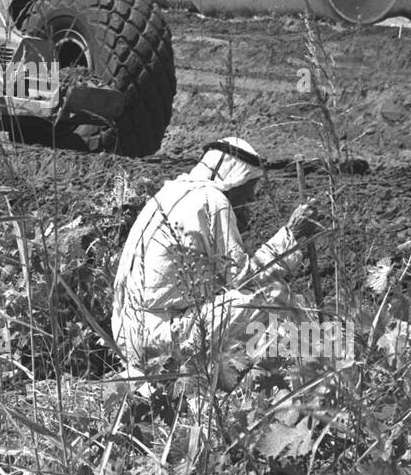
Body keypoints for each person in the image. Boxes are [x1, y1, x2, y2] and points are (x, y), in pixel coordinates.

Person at [111, 137, 322, 384]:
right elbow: (244, 278)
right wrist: (291, 235)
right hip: (160, 341)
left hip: (129, 336)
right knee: (273, 295)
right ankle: (312, 368)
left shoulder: (169, 192)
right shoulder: (214, 200)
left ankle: (287, 367)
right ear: (235, 178)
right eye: (249, 188)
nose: (250, 199)